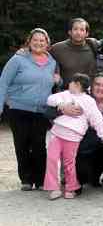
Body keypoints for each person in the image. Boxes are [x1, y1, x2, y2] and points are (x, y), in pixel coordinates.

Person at [0, 28, 57, 191]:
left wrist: (57, 81)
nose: (39, 43)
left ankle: (40, 179)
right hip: (19, 109)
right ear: (29, 42)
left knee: (39, 145)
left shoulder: (52, 62)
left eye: (42, 40)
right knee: (22, 144)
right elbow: (3, 82)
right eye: (35, 40)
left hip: (40, 111)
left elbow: (54, 84)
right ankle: (26, 179)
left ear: (47, 43)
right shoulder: (18, 59)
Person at [44, 73, 103, 200]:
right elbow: (50, 99)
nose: (68, 84)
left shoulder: (89, 101)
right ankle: (53, 188)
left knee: (69, 163)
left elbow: (96, 119)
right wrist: (62, 105)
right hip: (57, 133)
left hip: (73, 137)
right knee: (51, 159)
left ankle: (71, 187)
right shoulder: (64, 94)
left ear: (77, 84)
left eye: (71, 82)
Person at [50, 18, 97, 85]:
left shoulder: (93, 46)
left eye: (82, 30)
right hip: (65, 92)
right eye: (75, 29)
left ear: (87, 33)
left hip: (88, 92)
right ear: (69, 32)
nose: (78, 33)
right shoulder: (57, 49)